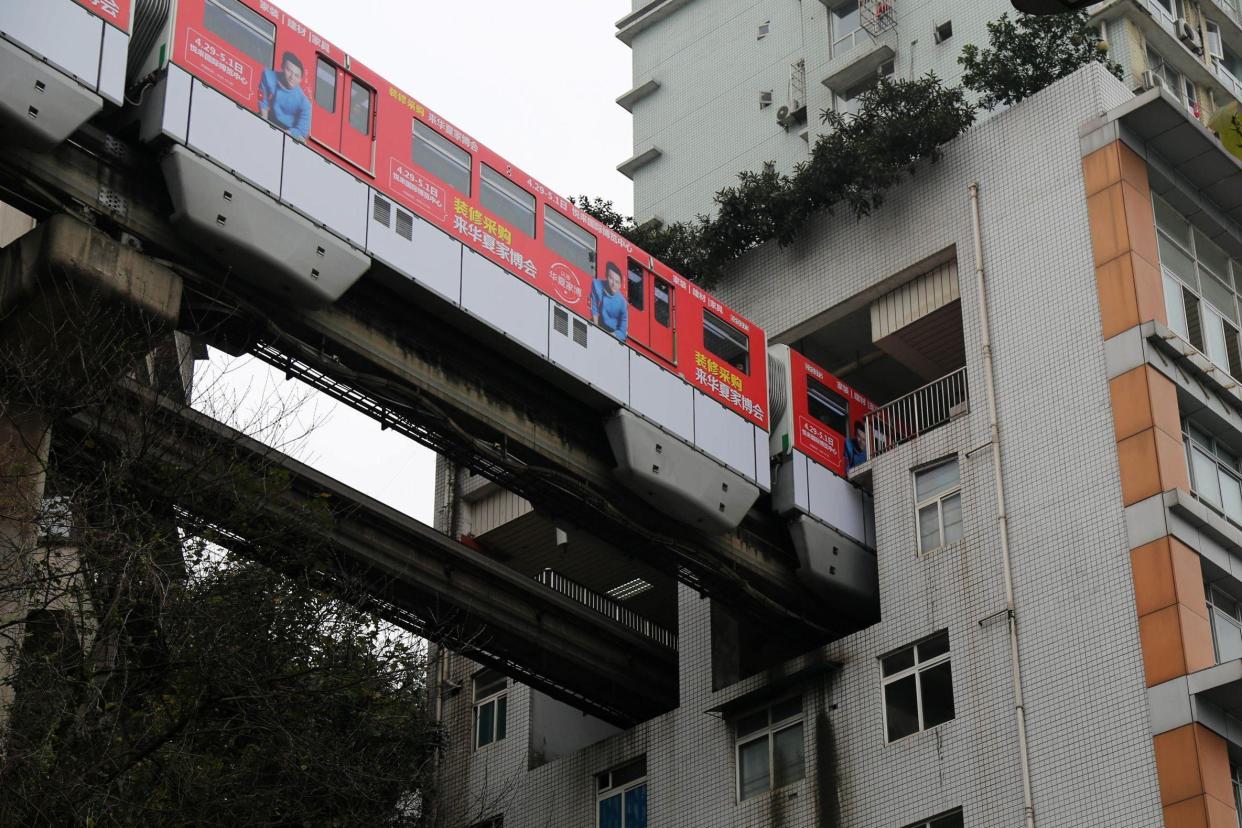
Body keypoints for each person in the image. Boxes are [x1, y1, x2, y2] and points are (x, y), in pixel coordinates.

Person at [259, 52, 311, 141]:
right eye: (289, 70)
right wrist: (265, 126)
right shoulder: (268, 76)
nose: (292, 77)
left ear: (300, 79)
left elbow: (302, 131)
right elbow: (263, 102)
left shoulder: (304, 103)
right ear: (282, 67)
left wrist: (279, 135)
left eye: (296, 75)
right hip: (269, 118)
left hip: (289, 131)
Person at [590, 262, 628, 342]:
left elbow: (622, 332)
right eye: (611, 278)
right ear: (606, 276)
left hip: (614, 333)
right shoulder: (596, 284)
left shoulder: (622, 303)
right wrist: (596, 331)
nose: (613, 284)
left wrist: (606, 337)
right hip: (599, 323)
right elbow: (594, 309)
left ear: (620, 285)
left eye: (617, 282)